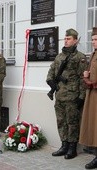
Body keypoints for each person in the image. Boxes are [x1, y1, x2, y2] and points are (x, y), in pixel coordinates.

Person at [46, 28, 88, 159]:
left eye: (68, 38)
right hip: (59, 95)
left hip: (72, 96)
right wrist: (51, 82)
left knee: (72, 122)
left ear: (75, 41)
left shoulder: (80, 57)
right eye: (65, 38)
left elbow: (83, 79)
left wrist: (81, 97)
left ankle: (72, 148)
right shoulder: (59, 56)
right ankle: (63, 146)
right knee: (61, 121)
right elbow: (51, 71)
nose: (66, 40)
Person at [79, 27, 97, 169]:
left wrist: (88, 78)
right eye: (92, 40)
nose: (93, 42)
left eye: (96, 39)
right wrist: (87, 75)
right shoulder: (93, 54)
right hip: (92, 94)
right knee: (93, 124)